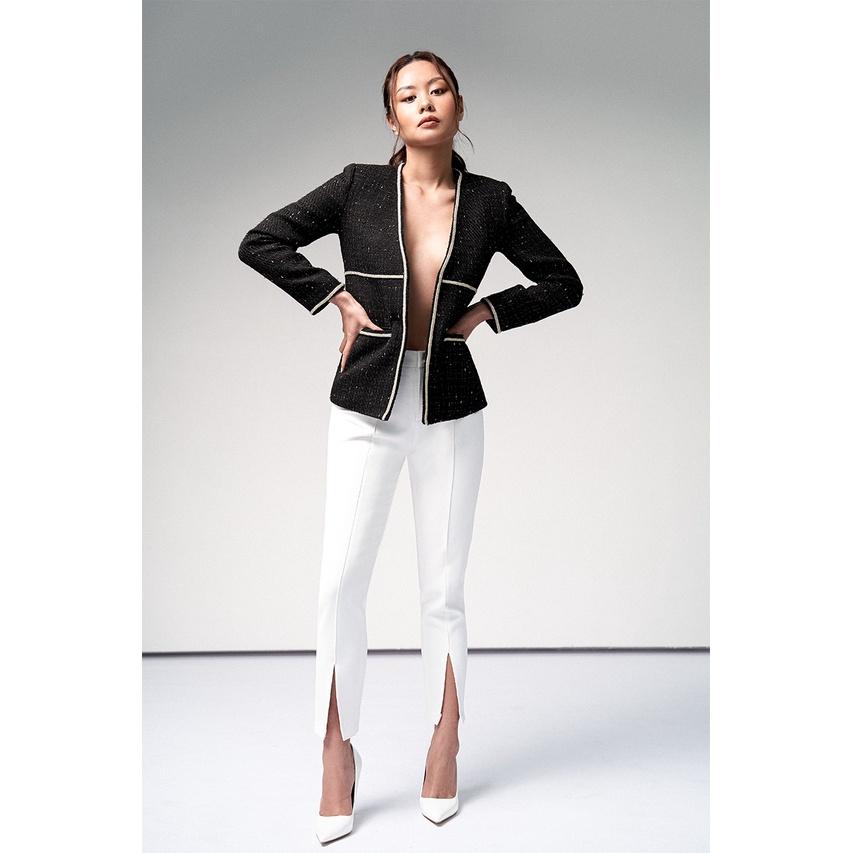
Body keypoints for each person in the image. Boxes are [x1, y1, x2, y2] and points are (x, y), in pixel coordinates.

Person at [237, 50, 583, 843]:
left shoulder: (491, 201)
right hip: (365, 403)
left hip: (450, 407)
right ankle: (336, 750)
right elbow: (262, 240)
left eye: (437, 89)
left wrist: (487, 312)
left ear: (458, 105)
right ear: (390, 119)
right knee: (339, 583)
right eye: (407, 95)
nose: (424, 102)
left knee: (442, 590)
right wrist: (332, 296)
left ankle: (444, 741)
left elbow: (562, 280)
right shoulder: (358, 187)